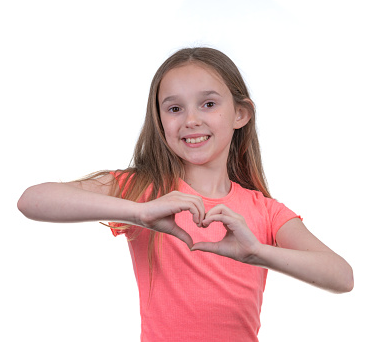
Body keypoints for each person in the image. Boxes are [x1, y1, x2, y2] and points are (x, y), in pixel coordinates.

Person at [18, 47, 353, 341]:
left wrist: (256, 253)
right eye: (174, 109)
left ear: (240, 114)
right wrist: (138, 212)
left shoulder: (265, 211)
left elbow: (341, 276)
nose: (191, 120)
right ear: (159, 119)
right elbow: (32, 200)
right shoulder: (143, 190)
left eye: (208, 104)